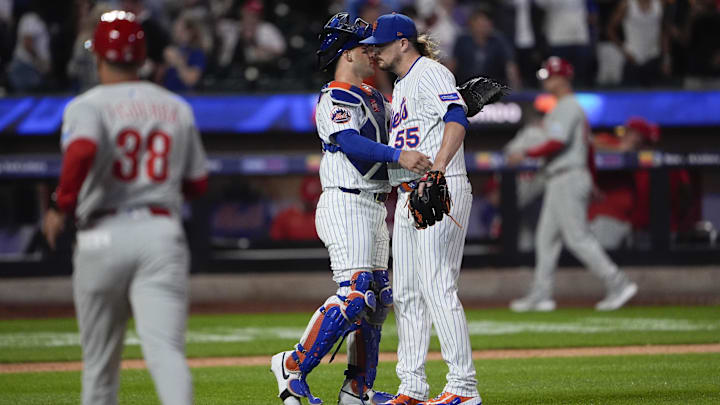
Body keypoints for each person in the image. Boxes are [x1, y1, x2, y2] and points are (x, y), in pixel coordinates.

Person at [41, 11, 207, 405]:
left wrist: (59, 205)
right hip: (160, 234)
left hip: (101, 234)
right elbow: (198, 183)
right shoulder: (175, 106)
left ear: (98, 56)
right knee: (166, 354)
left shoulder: (87, 104)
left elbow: (82, 151)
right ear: (143, 57)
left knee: (99, 367)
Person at [270, 12, 432, 405]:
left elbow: (414, 126)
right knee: (356, 293)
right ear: (346, 55)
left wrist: (458, 107)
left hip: (375, 205)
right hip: (345, 200)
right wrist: (399, 155)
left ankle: (356, 390)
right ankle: (292, 365)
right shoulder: (335, 96)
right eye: (364, 48)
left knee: (377, 299)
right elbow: (351, 143)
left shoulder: (377, 97)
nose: (373, 54)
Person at [363, 13, 482, 405]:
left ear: (402, 43)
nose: (374, 51)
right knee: (409, 294)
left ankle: (463, 388)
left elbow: (456, 118)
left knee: (437, 285)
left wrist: (439, 170)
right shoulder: (402, 85)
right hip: (409, 195)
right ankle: (412, 387)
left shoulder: (429, 71)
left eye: (380, 44)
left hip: (438, 189)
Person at [506, 57, 637, 312]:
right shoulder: (564, 107)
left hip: (567, 176)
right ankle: (541, 294)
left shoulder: (568, 106)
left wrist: (525, 154)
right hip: (563, 177)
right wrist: (592, 180)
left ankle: (618, 282)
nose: (546, 80)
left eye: (550, 76)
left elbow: (556, 143)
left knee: (577, 238)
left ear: (562, 78)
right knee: (546, 239)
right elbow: (587, 147)